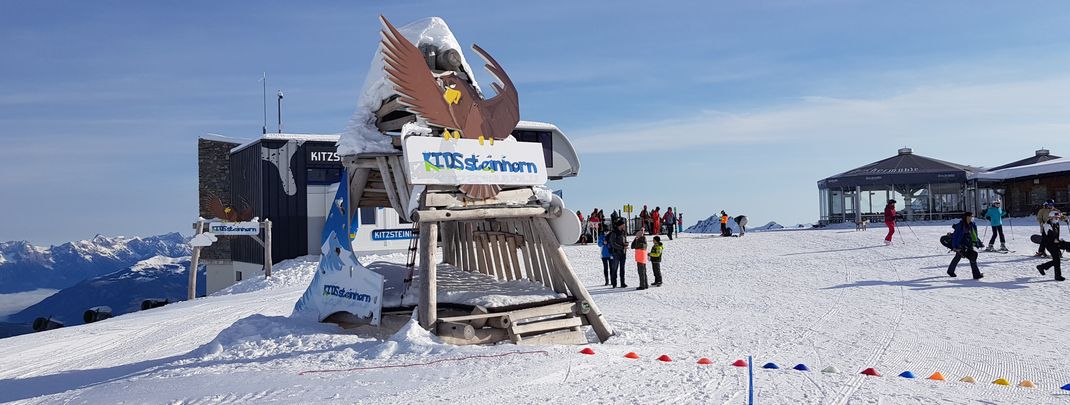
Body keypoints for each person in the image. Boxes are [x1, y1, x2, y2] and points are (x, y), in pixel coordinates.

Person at [948, 212, 984, 280]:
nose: (972, 218)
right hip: (961, 244)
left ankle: (976, 274)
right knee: (958, 257)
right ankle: (950, 271)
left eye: (972, 216)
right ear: (967, 217)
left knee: (972, 257)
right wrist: (955, 246)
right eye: (971, 216)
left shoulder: (973, 224)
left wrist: (978, 242)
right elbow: (955, 236)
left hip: (969, 243)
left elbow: (974, 235)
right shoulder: (960, 225)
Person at [1036, 211, 1066, 281]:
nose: (1057, 219)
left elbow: (1056, 235)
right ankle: (1057, 276)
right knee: (1057, 260)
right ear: (1051, 217)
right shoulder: (1047, 225)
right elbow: (1049, 237)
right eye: (1056, 217)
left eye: (1058, 217)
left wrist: (1058, 240)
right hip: (1049, 244)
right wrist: (1041, 249)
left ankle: (1042, 267)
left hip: (1055, 243)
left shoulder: (1056, 224)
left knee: (1056, 260)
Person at [608, 217, 628, 288]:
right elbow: (613, 244)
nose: (624, 226)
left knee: (622, 269)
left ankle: (622, 283)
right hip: (616, 253)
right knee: (614, 269)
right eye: (623, 224)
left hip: (623, 253)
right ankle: (614, 283)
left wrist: (626, 243)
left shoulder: (623, 232)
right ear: (620, 225)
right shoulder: (614, 233)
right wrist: (622, 247)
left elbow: (624, 240)